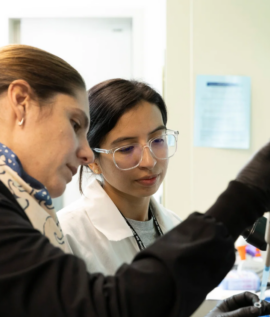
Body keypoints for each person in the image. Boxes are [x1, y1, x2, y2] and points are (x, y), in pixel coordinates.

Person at [0, 40, 270, 317]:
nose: (85, 151)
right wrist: (245, 198)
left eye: (158, 139)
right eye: (75, 124)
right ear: (21, 101)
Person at [58, 79, 181, 275]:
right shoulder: (66, 235)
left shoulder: (176, 226)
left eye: (158, 140)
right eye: (126, 148)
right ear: (92, 160)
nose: (149, 161)